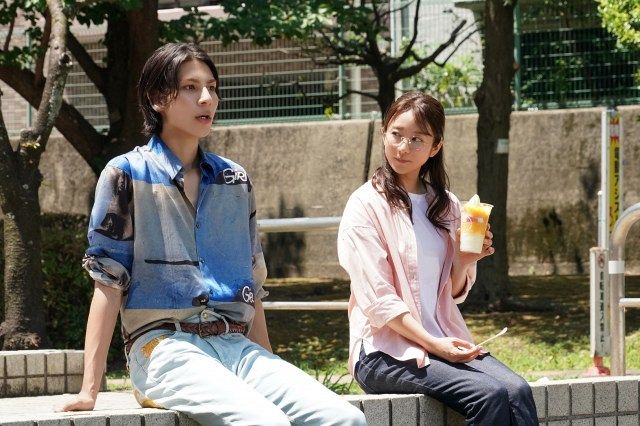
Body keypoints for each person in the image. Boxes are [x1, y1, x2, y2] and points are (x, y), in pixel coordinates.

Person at [58, 43, 366, 426]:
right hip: (163, 348)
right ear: (157, 98)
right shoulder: (126, 174)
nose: (207, 98)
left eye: (212, 87)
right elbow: (107, 282)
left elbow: (252, 284)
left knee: (345, 419)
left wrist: (269, 365)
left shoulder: (233, 180)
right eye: (190, 87)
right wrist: (89, 389)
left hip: (235, 345)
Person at [337, 91, 538, 425]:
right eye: (396, 134)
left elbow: (453, 293)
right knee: (488, 394)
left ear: (435, 147)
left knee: (517, 391)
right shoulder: (365, 205)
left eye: (417, 139)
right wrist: (434, 344)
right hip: (382, 352)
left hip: (442, 339)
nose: (403, 147)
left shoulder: (447, 206)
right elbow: (379, 301)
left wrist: (464, 259)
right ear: (384, 134)